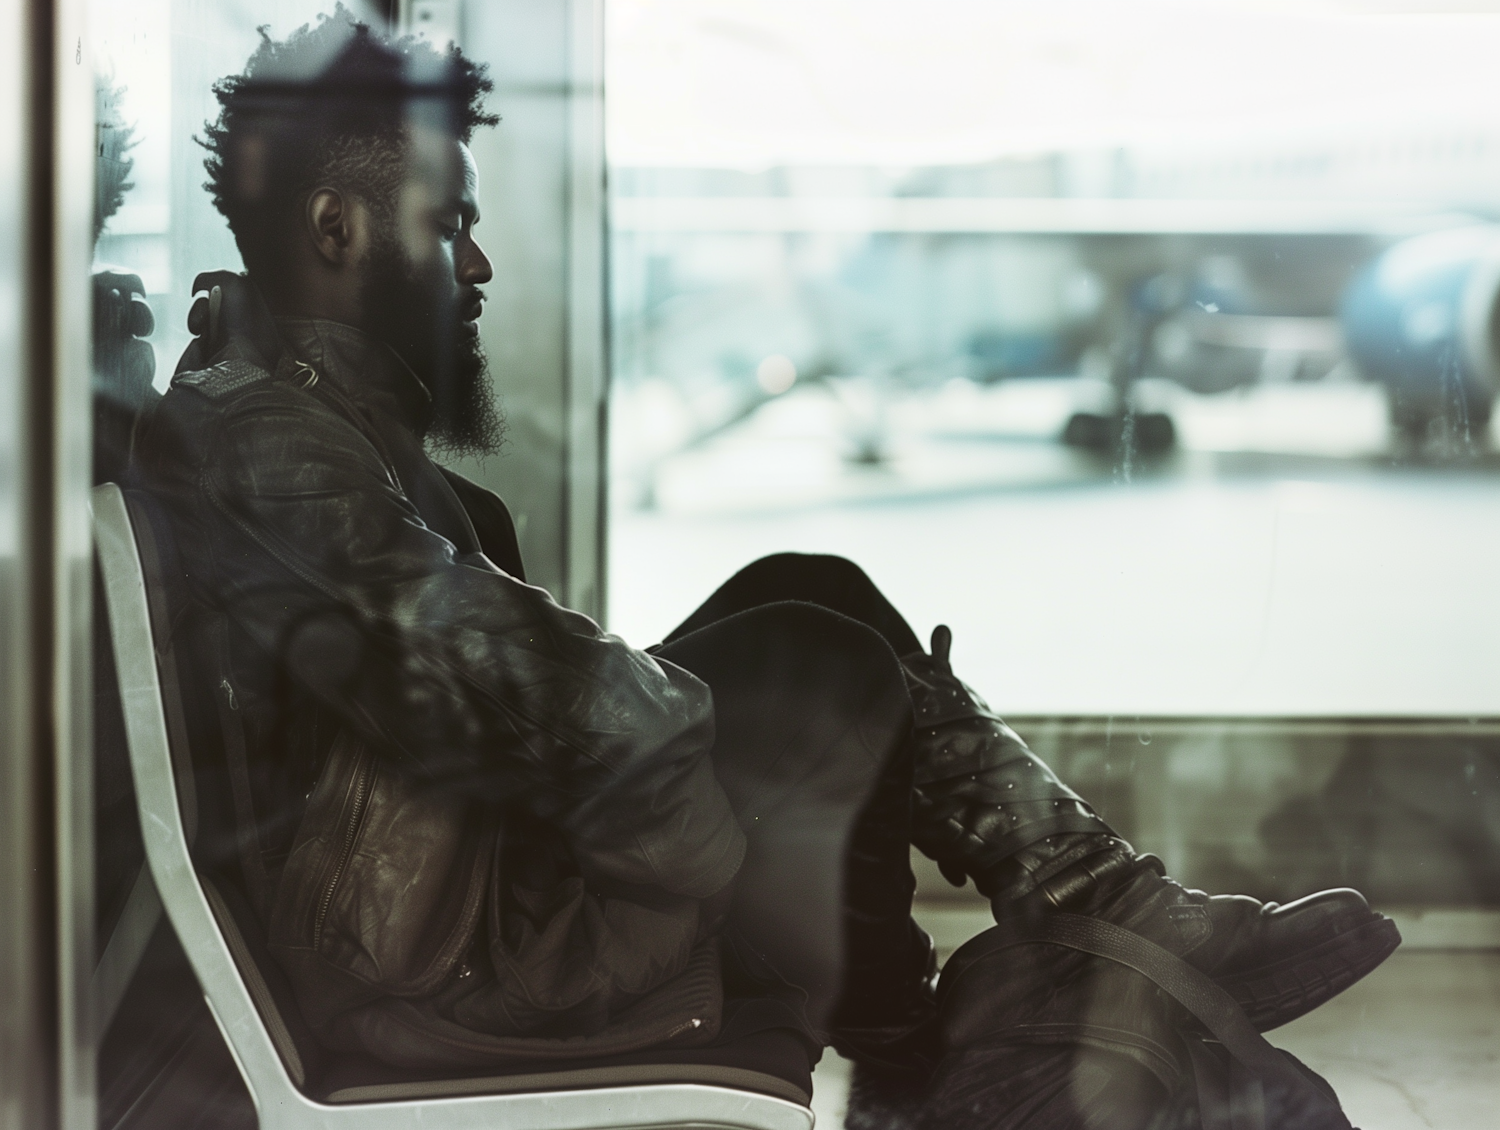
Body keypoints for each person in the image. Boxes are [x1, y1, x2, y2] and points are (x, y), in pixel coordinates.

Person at [133, 10, 1398, 1125]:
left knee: (814, 586)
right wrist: (721, 735)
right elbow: (548, 693)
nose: (478, 265)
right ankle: (942, 1035)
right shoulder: (275, 446)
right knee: (817, 656)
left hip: (453, 882)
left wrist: (700, 731)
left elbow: (499, 686)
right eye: (451, 225)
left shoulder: (297, 415)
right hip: (446, 961)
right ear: (338, 224)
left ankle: (1063, 927)